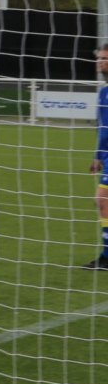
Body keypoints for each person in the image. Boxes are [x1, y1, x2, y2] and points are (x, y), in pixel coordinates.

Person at [84, 44, 108, 270]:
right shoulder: (103, 92)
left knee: (102, 200)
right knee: (103, 202)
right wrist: (98, 155)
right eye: (99, 58)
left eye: (104, 58)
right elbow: (103, 128)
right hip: (107, 157)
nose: (100, 62)